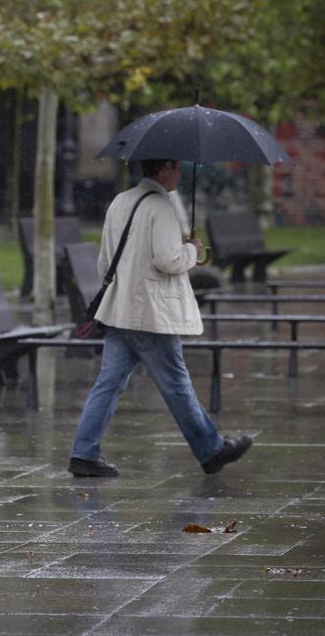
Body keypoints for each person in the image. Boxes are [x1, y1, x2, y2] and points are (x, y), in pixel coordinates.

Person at [68, 158, 253, 477]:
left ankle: (83, 453)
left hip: (119, 311)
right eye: (177, 168)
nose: (180, 173)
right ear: (164, 168)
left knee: (108, 384)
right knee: (176, 383)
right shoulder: (163, 207)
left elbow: (104, 261)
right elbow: (168, 260)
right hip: (152, 314)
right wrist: (193, 250)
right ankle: (211, 450)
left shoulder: (120, 201)